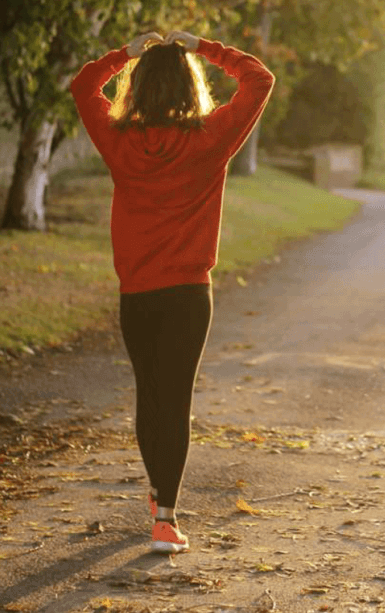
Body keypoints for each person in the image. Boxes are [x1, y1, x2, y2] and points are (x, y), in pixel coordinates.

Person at [70, 30, 274, 553]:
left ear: (137, 88)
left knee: (150, 395)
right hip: (188, 295)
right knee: (175, 400)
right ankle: (165, 517)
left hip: (137, 294)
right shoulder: (211, 139)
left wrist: (125, 54)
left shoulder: (118, 141)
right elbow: (259, 79)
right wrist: (203, 46)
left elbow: (82, 85)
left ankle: (160, 492)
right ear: (190, 88)